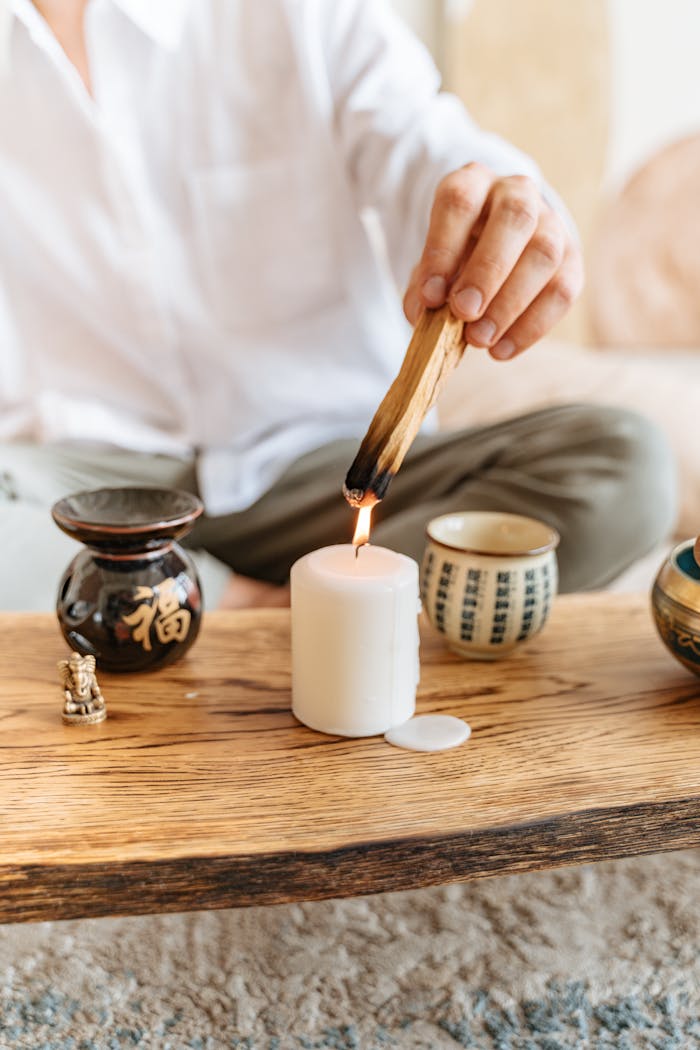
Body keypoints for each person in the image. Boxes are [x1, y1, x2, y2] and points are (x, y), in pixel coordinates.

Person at [0, 0, 676, 611]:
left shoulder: (305, 14)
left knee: (625, 465)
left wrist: (502, 210)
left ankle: (179, 611)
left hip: (328, 466)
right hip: (78, 488)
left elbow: (427, 146)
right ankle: (273, 612)